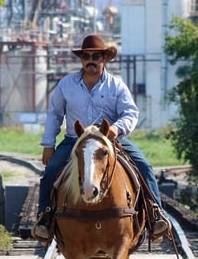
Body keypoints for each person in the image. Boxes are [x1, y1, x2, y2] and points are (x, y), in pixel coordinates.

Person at [33, 34, 170, 241]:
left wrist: (116, 129)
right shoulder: (66, 85)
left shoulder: (116, 85)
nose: (91, 60)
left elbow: (130, 112)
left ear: (104, 59)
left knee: (144, 166)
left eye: (96, 56)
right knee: (52, 170)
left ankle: (155, 214)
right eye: (86, 56)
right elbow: (54, 114)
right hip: (75, 140)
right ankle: (44, 217)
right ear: (81, 59)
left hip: (110, 140)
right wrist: (48, 145)